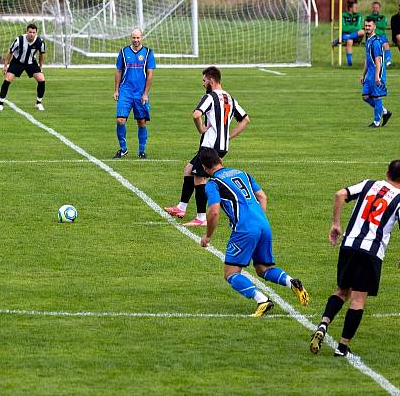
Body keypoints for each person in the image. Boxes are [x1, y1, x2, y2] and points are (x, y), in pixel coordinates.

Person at [309, 159, 400, 357]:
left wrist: (336, 224)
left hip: (349, 245)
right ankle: (342, 347)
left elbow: (340, 194)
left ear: (387, 172)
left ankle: (323, 324)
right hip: (371, 253)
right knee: (357, 300)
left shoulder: (368, 185)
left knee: (341, 291)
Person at [198, 148, 309, 317]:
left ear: (205, 168)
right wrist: (258, 221)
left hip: (245, 229)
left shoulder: (213, 183)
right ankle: (291, 282)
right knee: (263, 269)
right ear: (220, 160)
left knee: (231, 273)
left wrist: (208, 236)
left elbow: (213, 212)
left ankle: (262, 300)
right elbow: (262, 197)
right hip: (264, 225)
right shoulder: (243, 174)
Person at [164, 66, 250, 227]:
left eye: (204, 81)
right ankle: (181, 207)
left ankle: (201, 217)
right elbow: (245, 119)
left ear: (211, 81)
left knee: (199, 177)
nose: (203, 84)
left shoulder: (210, 97)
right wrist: (229, 136)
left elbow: (196, 114)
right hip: (221, 145)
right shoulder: (230, 98)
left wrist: (201, 129)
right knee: (189, 169)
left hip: (209, 146)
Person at [113, 28, 156, 159]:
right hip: (125, 91)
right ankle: (123, 148)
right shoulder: (124, 52)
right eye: (134, 38)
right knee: (120, 120)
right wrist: (116, 90)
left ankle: (141, 151)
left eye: (138, 38)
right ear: (130, 38)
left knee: (141, 121)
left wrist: (145, 94)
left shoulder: (148, 53)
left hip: (140, 93)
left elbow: (150, 74)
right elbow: (119, 71)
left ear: (142, 37)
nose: (136, 40)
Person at [0, 24, 46, 111]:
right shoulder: (19, 40)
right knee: (7, 79)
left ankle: (38, 103)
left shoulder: (40, 42)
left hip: (31, 63)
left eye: (34, 32)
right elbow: (10, 52)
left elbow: (42, 54)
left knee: (41, 79)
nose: (32, 34)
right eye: (30, 32)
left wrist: (41, 66)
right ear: (26, 32)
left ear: (36, 33)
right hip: (17, 62)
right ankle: (1, 103)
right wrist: (5, 66)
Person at [361, 18, 392, 129]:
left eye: (369, 26)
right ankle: (384, 111)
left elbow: (378, 61)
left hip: (376, 73)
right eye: (366, 26)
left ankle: (377, 122)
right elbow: (367, 59)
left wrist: (377, 76)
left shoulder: (376, 42)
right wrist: (363, 74)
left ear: (374, 27)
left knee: (376, 98)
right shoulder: (368, 40)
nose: (367, 28)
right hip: (369, 73)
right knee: (365, 96)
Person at [334, 0, 364, 67]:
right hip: (350, 35)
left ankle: (342, 38)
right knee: (349, 41)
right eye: (355, 7)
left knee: (362, 31)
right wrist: (353, 28)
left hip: (356, 37)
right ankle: (350, 63)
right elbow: (343, 28)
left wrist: (349, 30)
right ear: (350, 8)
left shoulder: (359, 15)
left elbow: (359, 28)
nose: (357, 9)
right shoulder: (343, 15)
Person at [365, 1, 391, 67]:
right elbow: (368, 26)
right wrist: (377, 26)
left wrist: (374, 25)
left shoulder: (382, 17)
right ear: (372, 8)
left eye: (377, 8)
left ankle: (387, 61)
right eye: (374, 7)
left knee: (386, 45)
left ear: (379, 9)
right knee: (374, 48)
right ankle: (373, 63)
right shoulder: (368, 17)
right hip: (372, 36)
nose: (375, 9)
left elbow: (383, 26)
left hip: (381, 36)